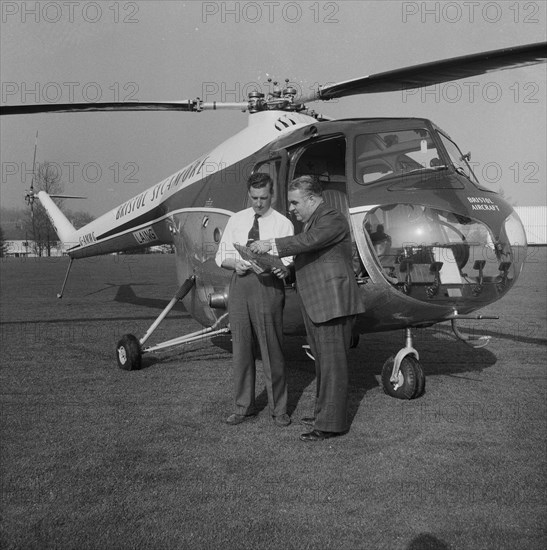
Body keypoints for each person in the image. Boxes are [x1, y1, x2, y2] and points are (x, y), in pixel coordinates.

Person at [250, 175, 366, 442]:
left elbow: (311, 242)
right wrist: (285, 270)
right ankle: (323, 414)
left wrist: (273, 244)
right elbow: (312, 256)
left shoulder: (331, 218)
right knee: (324, 364)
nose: (290, 208)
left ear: (312, 199)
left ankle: (330, 425)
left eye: (294, 202)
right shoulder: (315, 222)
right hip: (320, 303)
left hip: (331, 303)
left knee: (332, 366)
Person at [215, 173, 294, 428]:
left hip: (268, 286)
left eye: (264, 198)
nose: (259, 203)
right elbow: (222, 255)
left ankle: (279, 409)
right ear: (248, 194)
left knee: (272, 349)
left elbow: (289, 262)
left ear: (272, 195)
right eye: (254, 198)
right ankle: (242, 407)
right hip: (240, 285)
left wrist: (281, 268)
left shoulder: (283, 223)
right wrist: (234, 263)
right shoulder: (237, 219)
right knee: (241, 349)